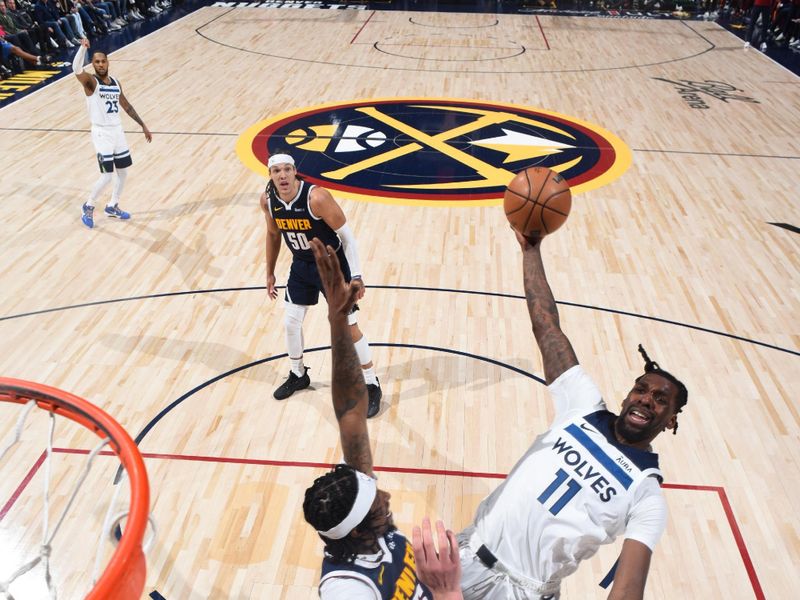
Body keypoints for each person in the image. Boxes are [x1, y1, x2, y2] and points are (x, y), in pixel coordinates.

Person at [457, 230, 689, 600]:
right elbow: (546, 325)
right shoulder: (583, 405)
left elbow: (628, 590)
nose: (646, 400)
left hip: (525, 593)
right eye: (641, 389)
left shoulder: (646, 495)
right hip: (465, 554)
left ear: (671, 420)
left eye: (661, 400)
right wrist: (531, 250)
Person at [301, 237, 431, 599]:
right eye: (376, 502)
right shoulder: (347, 589)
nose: (384, 495)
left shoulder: (357, 516)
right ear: (358, 531)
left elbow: (350, 411)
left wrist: (337, 318)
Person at [260, 152, 382, 417]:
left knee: (348, 328)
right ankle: (298, 373)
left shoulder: (317, 198)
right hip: (302, 265)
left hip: (332, 266)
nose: (282, 175)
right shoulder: (268, 201)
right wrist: (269, 272)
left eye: (287, 170)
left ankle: (372, 383)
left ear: (295, 172)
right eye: (276, 171)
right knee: (290, 322)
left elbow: (348, 238)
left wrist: (357, 276)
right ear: (270, 175)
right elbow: (272, 234)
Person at [73, 38, 151, 229]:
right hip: (101, 133)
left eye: (103, 61)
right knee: (107, 176)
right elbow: (76, 69)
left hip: (117, 131)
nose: (100, 64)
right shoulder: (91, 82)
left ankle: (112, 205)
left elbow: (126, 105)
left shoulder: (115, 82)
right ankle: (88, 205)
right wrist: (82, 49)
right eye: (97, 61)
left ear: (108, 62)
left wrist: (142, 125)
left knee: (123, 173)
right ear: (93, 64)